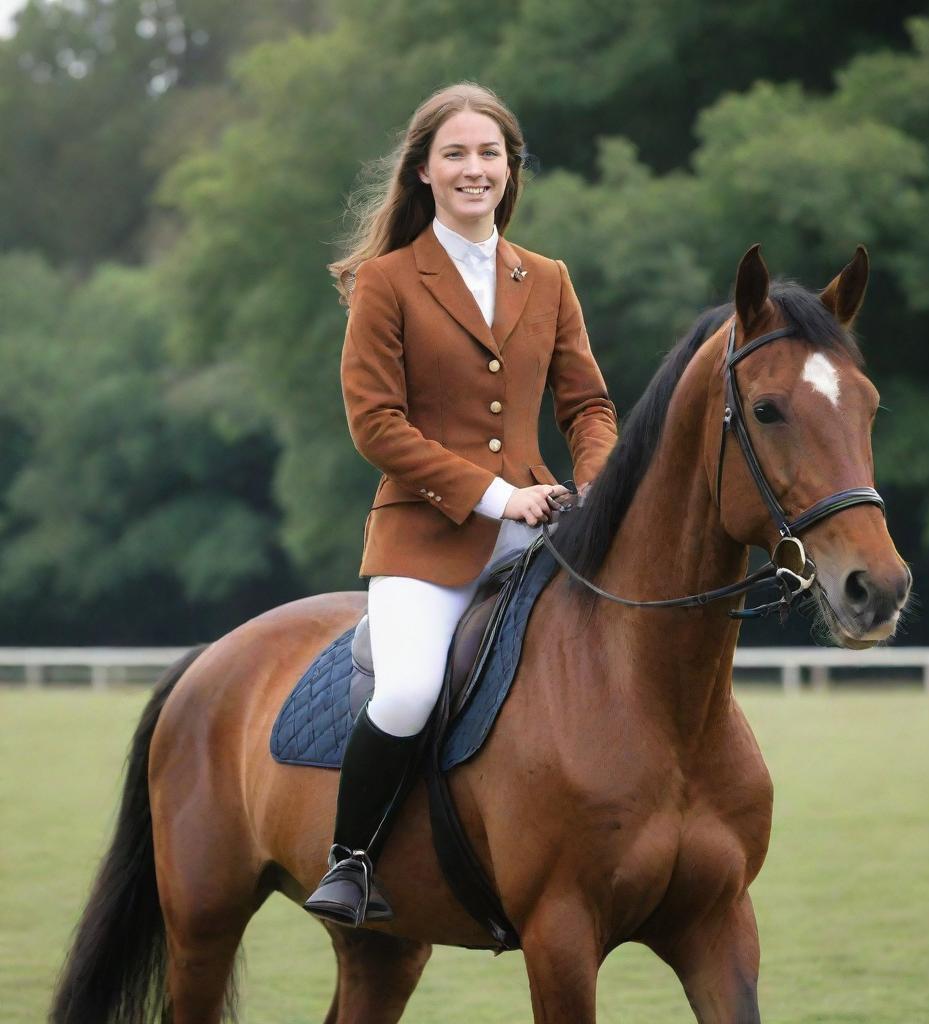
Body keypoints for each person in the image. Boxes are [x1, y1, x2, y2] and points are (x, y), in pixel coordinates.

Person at [303, 82, 618, 927]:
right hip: (424, 541)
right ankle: (353, 860)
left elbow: (587, 406)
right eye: (456, 154)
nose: (474, 168)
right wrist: (494, 497)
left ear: (510, 171)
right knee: (406, 692)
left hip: (539, 527)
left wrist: (594, 485)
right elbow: (375, 424)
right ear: (425, 172)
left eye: (490, 154)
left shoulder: (546, 279)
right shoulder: (388, 281)